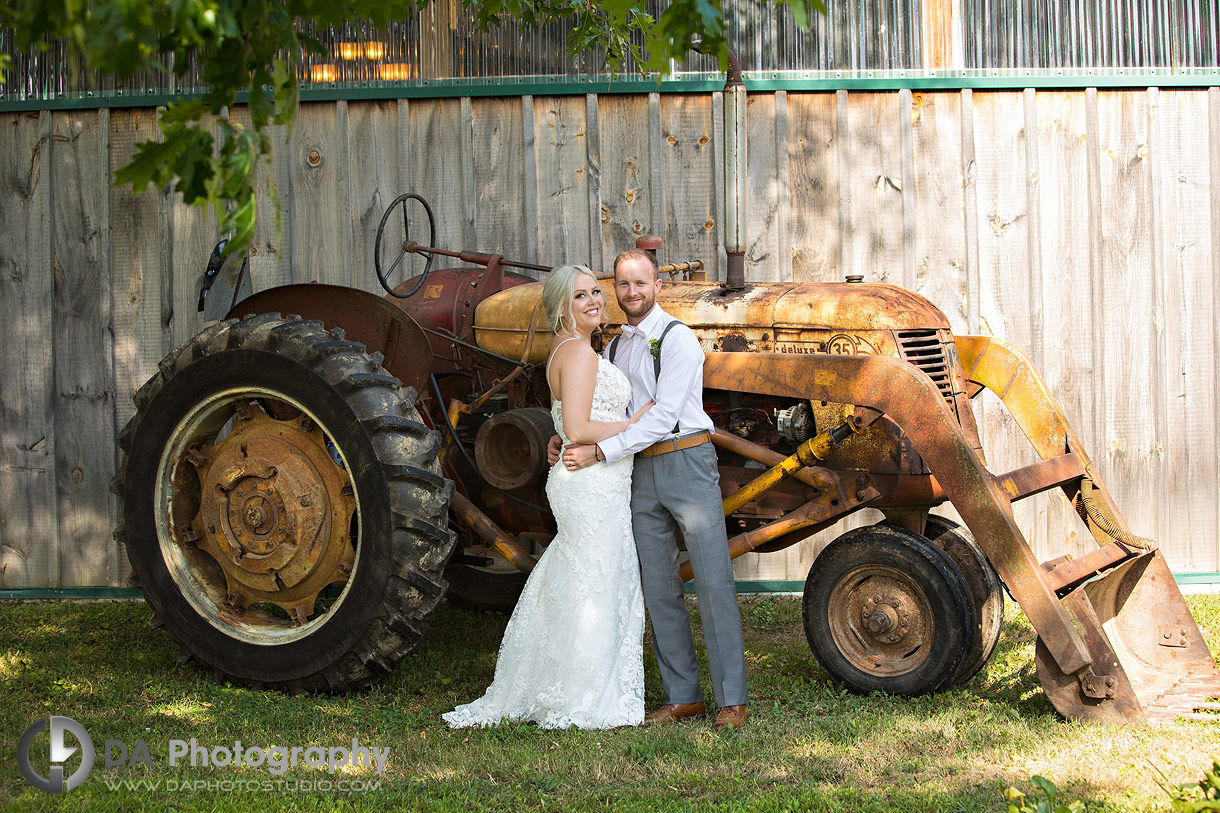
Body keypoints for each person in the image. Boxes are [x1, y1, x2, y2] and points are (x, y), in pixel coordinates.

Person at [443, 264, 652, 730]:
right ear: (561, 307)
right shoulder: (577, 352)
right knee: (595, 581)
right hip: (590, 484)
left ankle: (559, 680)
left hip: (595, 482)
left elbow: (567, 423)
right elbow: (578, 428)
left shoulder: (568, 348)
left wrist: (568, 433)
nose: (594, 301)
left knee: (585, 578)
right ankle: (580, 695)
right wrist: (641, 423)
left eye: (596, 292)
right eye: (581, 296)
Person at [556, 248, 750, 731]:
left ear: (658, 286)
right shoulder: (616, 347)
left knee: (711, 580)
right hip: (639, 470)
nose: (631, 293)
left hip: (686, 460)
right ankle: (683, 695)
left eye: (640, 283)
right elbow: (605, 408)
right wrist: (567, 436)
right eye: (622, 285)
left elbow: (663, 415)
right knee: (659, 585)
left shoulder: (678, 339)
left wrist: (602, 451)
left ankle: (733, 699)